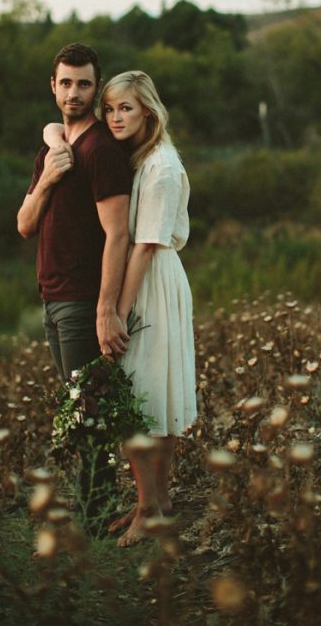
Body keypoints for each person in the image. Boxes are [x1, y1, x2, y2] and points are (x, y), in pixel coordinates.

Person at [17, 43, 132, 525]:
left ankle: (96, 517)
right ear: (53, 86)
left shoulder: (102, 151)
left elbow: (118, 234)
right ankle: (94, 511)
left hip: (83, 302)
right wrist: (46, 178)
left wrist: (106, 309)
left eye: (84, 83)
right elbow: (24, 224)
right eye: (65, 82)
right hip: (53, 298)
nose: (74, 92)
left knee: (89, 414)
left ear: (96, 87)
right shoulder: (53, 147)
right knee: (79, 409)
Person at [98, 70, 197, 547]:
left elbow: (143, 246)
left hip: (151, 281)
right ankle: (156, 502)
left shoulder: (161, 166)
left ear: (148, 112)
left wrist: (116, 310)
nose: (116, 117)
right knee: (151, 393)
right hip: (152, 278)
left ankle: (149, 508)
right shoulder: (140, 157)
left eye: (126, 109)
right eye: (111, 108)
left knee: (143, 395)